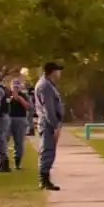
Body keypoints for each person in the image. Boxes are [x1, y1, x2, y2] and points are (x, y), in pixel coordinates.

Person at [35, 61, 64, 190]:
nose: (60, 73)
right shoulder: (45, 86)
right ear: (52, 71)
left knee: (50, 150)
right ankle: (43, 180)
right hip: (48, 122)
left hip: (50, 122)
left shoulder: (49, 85)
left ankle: (46, 179)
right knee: (47, 150)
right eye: (58, 70)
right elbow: (49, 109)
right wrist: (55, 125)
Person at [6, 76, 30, 169]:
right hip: (8, 119)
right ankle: (5, 162)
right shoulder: (7, 95)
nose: (15, 88)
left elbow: (28, 107)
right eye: (14, 87)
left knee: (19, 142)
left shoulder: (24, 95)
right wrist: (11, 99)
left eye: (17, 87)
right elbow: (4, 106)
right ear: (11, 87)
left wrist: (20, 99)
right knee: (6, 141)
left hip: (20, 119)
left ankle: (18, 163)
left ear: (20, 87)